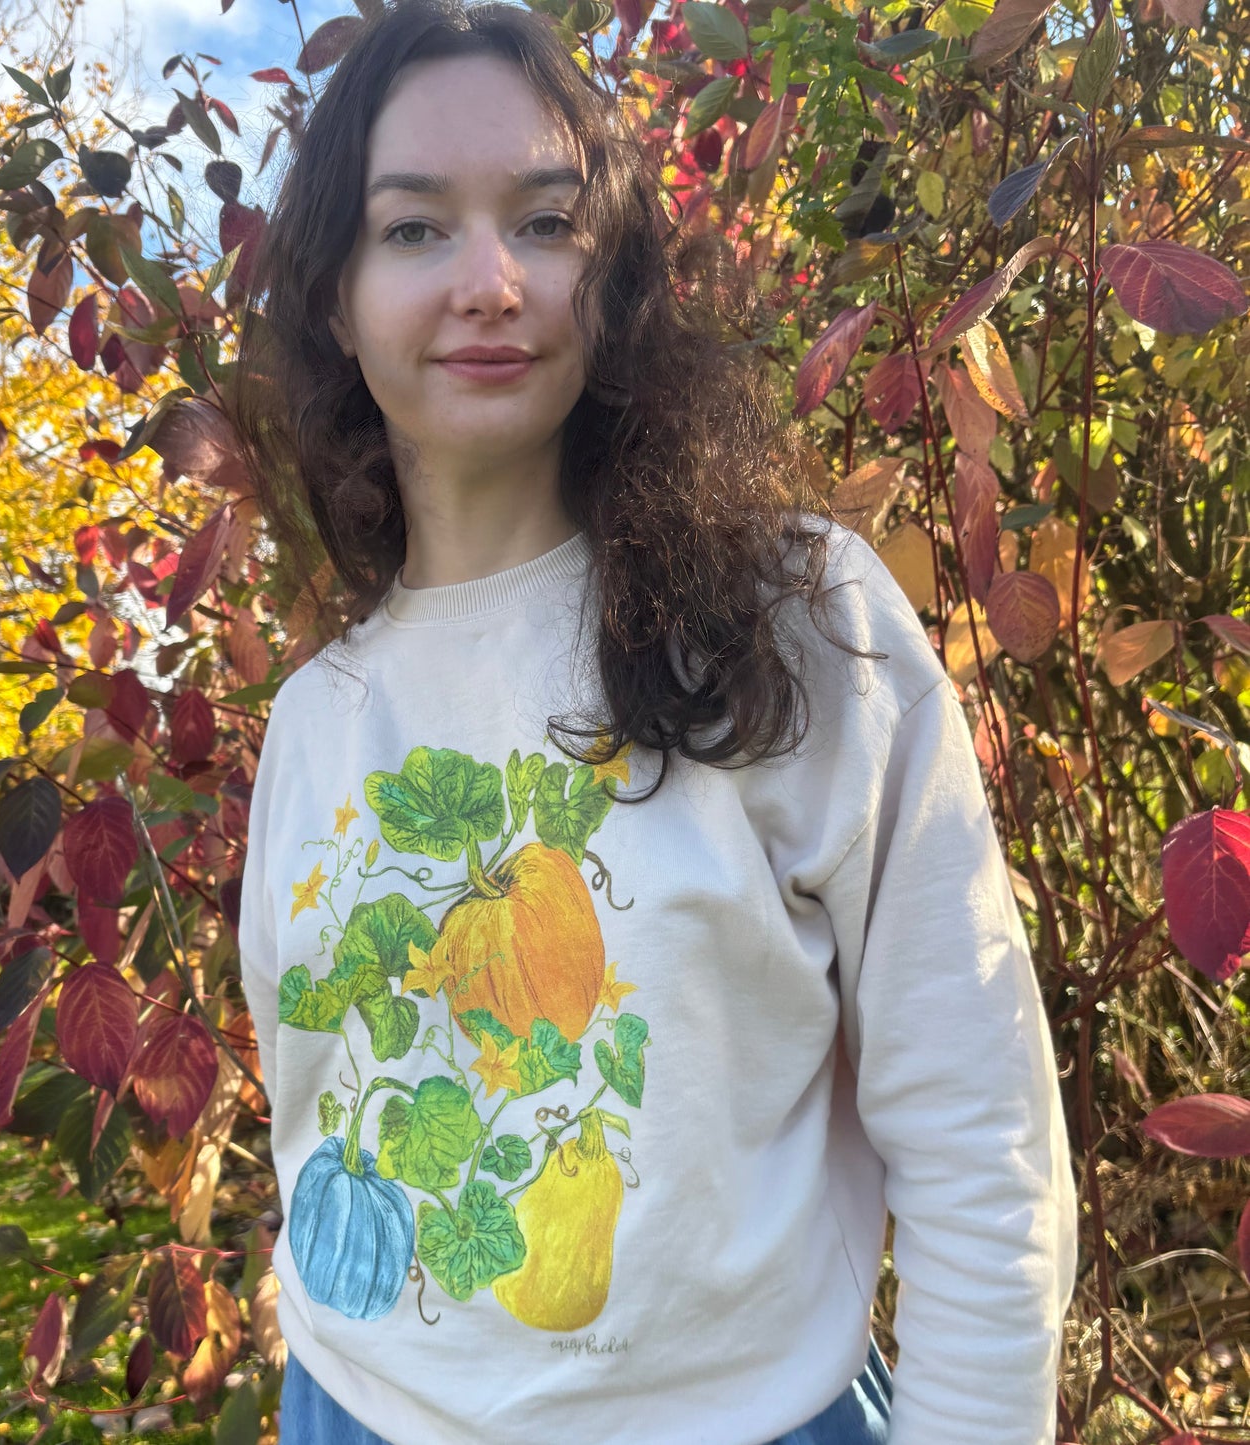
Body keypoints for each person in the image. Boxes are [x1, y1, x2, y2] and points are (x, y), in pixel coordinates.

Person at [232, 1, 1078, 1441]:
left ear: (613, 273)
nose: (490, 280)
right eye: (414, 228)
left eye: (546, 222)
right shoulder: (316, 717)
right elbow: (320, 1105)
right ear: (334, 297)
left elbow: (982, 1147)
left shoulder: (794, 622)